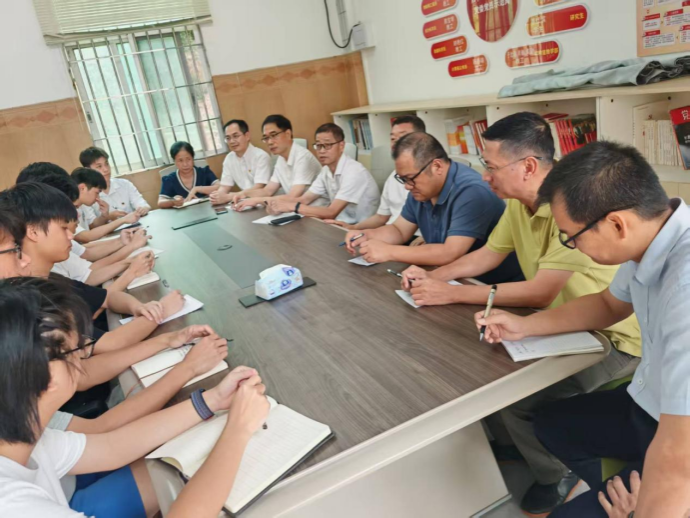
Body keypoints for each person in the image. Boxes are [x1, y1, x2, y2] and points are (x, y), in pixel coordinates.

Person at [400, 113, 642, 515]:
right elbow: (488, 254)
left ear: (528, 166)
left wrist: (452, 294)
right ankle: (518, 447)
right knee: (483, 367)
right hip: (567, 322)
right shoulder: (518, 205)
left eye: (491, 166)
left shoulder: (574, 208)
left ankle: (555, 476)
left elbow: (544, 290)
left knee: (523, 400)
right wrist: (432, 278)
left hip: (613, 338)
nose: (484, 176)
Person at [476, 141, 690, 517]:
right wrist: (523, 326)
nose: (571, 246)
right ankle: (620, 484)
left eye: (572, 236)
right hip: (651, 407)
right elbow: (608, 304)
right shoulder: (651, 241)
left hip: (680, 441)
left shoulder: (684, 287)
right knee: (551, 423)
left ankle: (625, 497)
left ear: (617, 224)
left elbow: (678, 454)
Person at [0, 276, 269, 518]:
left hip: (64, 488)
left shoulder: (26, 431)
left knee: (177, 465)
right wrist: (238, 430)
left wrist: (213, 399)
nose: (83, 356)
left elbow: (111, 447)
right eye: (76, 349)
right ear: (48, 375)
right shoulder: (13, 504)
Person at [343, 132, 522, 283]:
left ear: (436, 166)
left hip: (489, 284)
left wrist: (389, 251)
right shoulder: (420, 189)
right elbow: (399, 230)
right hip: (449, 275)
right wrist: (367, 235)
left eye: (410, 178)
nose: (407, 186)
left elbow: (449, 252)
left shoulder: (472, 191)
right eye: (403, 179)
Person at [326, 115, 425, 233]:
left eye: (403, 137)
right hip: (392, 233)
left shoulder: (429, 176)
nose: (396, 143)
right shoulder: (393, 177)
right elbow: (381, 217)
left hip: (412, 236)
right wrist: (353, 228)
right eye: (393, 138)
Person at [266, 123, 380, 224]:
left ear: (341, 146)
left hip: (360, 228)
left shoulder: (354, 171)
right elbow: (305, 199)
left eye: (327, 145)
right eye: (318, 146)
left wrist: (292, 207)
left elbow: (331, 212)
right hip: (338, 223)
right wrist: (276, 204)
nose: (321, 151)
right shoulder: (326, 170)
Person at [16, 162, 142, 244]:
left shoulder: (79, 206)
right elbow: (86, 237)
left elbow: (90, 231)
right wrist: (122, 221)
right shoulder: (61, 213)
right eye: (97, 192)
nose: (97, 197)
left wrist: (105, 217)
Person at [233, 115, 321, 210]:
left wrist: (257, 200)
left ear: (288, 134)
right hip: (296, 210)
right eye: (266, 138)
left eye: (274, 135)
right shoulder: (281, 159)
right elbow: (267, 191)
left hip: (316, 211)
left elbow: (293, 196)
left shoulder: (303, 157)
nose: (270, 142)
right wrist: (244, 194)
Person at [209, 119, 272, 206]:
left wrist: (230, 196)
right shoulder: (229, 159)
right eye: (228, 138)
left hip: (264, 203)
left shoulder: (261, 156)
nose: (232, 141)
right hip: (243, 203)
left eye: (236, 136)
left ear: (247, 136)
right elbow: (224, 186)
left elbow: (259, 187)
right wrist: (218, 196)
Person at [79, 146, 151, 220]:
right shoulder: (86, 195)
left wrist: (143, 208)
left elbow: (141, 203)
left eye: (107, 164)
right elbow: (91, 224)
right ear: (88, 170)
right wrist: (108, 217)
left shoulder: (125, 184)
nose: (106, 169)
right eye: (99, 166)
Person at [158, 142, 219, 208]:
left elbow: (220, 187)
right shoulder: (169, 180)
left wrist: (197, 189)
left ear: (193, 158)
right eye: (180, 160)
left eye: (188, 159)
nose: (185, 164)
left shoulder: (204, 172)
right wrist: (173, 202)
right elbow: (160, 202)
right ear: (174, 161)